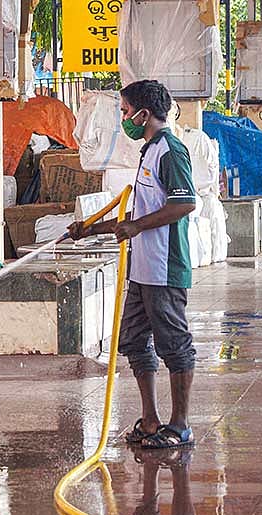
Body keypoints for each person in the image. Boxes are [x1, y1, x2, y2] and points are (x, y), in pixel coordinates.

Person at [68, 79, 197, 449]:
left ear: (144, 113)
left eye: (125, 112)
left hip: (164, 268)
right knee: (134, 341)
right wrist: (89, 229)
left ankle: (180, 425)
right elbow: (136, 213)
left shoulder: (170, 151)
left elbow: (183, 204)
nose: (124, 119)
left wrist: (136, 226)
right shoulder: (149, 150)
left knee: (174, 345)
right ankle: (152, 419)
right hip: (142, 269)